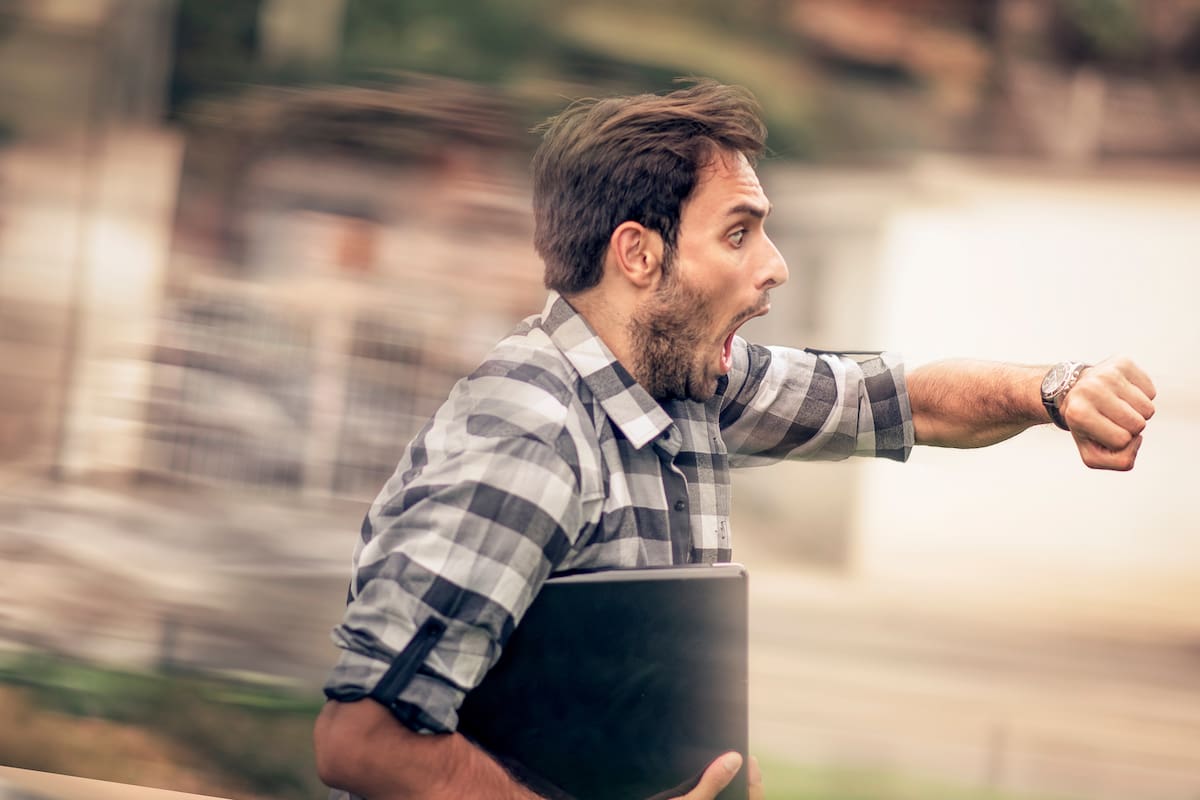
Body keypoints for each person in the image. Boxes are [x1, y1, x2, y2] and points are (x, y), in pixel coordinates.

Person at [312, 80, 1156, 800]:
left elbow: (905, 402)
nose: (775, 265)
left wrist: (1056, 389)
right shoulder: (529, 437)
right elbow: (364, 738)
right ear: (638, 255)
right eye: (740, 232)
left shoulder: (691, 384)